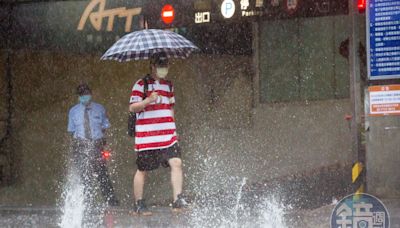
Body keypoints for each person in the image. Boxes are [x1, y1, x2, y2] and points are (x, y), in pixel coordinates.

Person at [129, 52, 188, 215]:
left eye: (166, 66)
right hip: (148, 137)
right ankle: (138, 204)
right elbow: (132, 107)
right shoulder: (141, 84)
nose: (163, 69)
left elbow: (171, 108)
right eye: (160, 66)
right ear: (153, 66)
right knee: (143, 170)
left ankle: (178, 200)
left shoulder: (169, 85)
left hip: (167, 136)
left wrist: (174, 129)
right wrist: (148, 100)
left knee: (176, 162)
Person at [67, 83, 119, 209]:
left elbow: (105, 126)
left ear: (90, 94)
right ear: (78, 96)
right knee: (84, 174)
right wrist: (73, 150)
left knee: (102, 173)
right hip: (81, 144)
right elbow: (71, 131)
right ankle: (86, 201)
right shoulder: (73, 111)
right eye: (81, 95)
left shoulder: (99, 108)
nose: (84, 97)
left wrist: (105, 144)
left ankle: (110, 200)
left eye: (86, 94)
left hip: (97, 144)